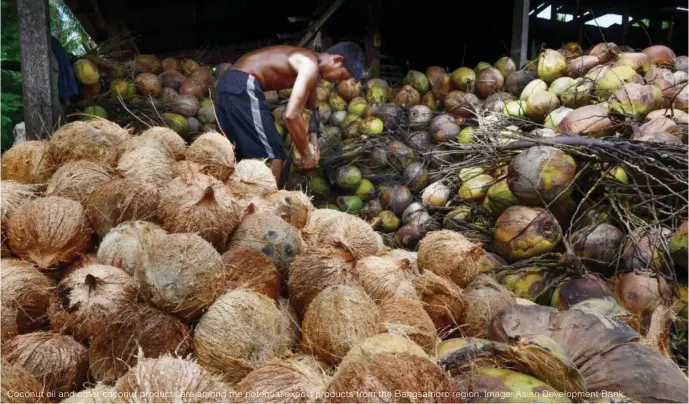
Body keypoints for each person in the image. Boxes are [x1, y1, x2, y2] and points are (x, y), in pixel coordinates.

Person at [214, 42, 364, 186]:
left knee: (237, 153)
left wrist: (314, 140)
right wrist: (306, 153)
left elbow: (313, 107)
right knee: (274, 154)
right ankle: (269, 204)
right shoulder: (309, 64)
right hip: (241, 85)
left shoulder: (310, 64)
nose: (338, 82)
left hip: (226, 87)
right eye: (343, 76)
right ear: (337, 60)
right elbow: (291, 115)